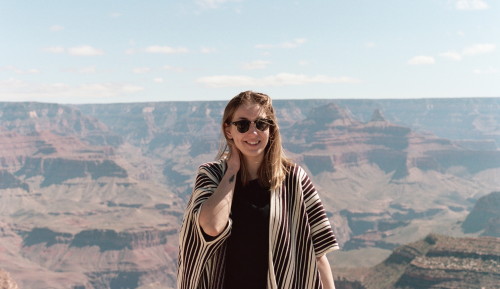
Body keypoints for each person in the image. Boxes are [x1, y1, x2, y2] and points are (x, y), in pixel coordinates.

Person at [177, 91, 339, 289]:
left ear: (271, 129)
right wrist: (233, 170)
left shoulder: (294, 179)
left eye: (261, 124)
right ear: (229, 131)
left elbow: (318, 254)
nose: (253, 133)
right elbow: (211, 226)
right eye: (243, 125)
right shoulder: (211, 175)